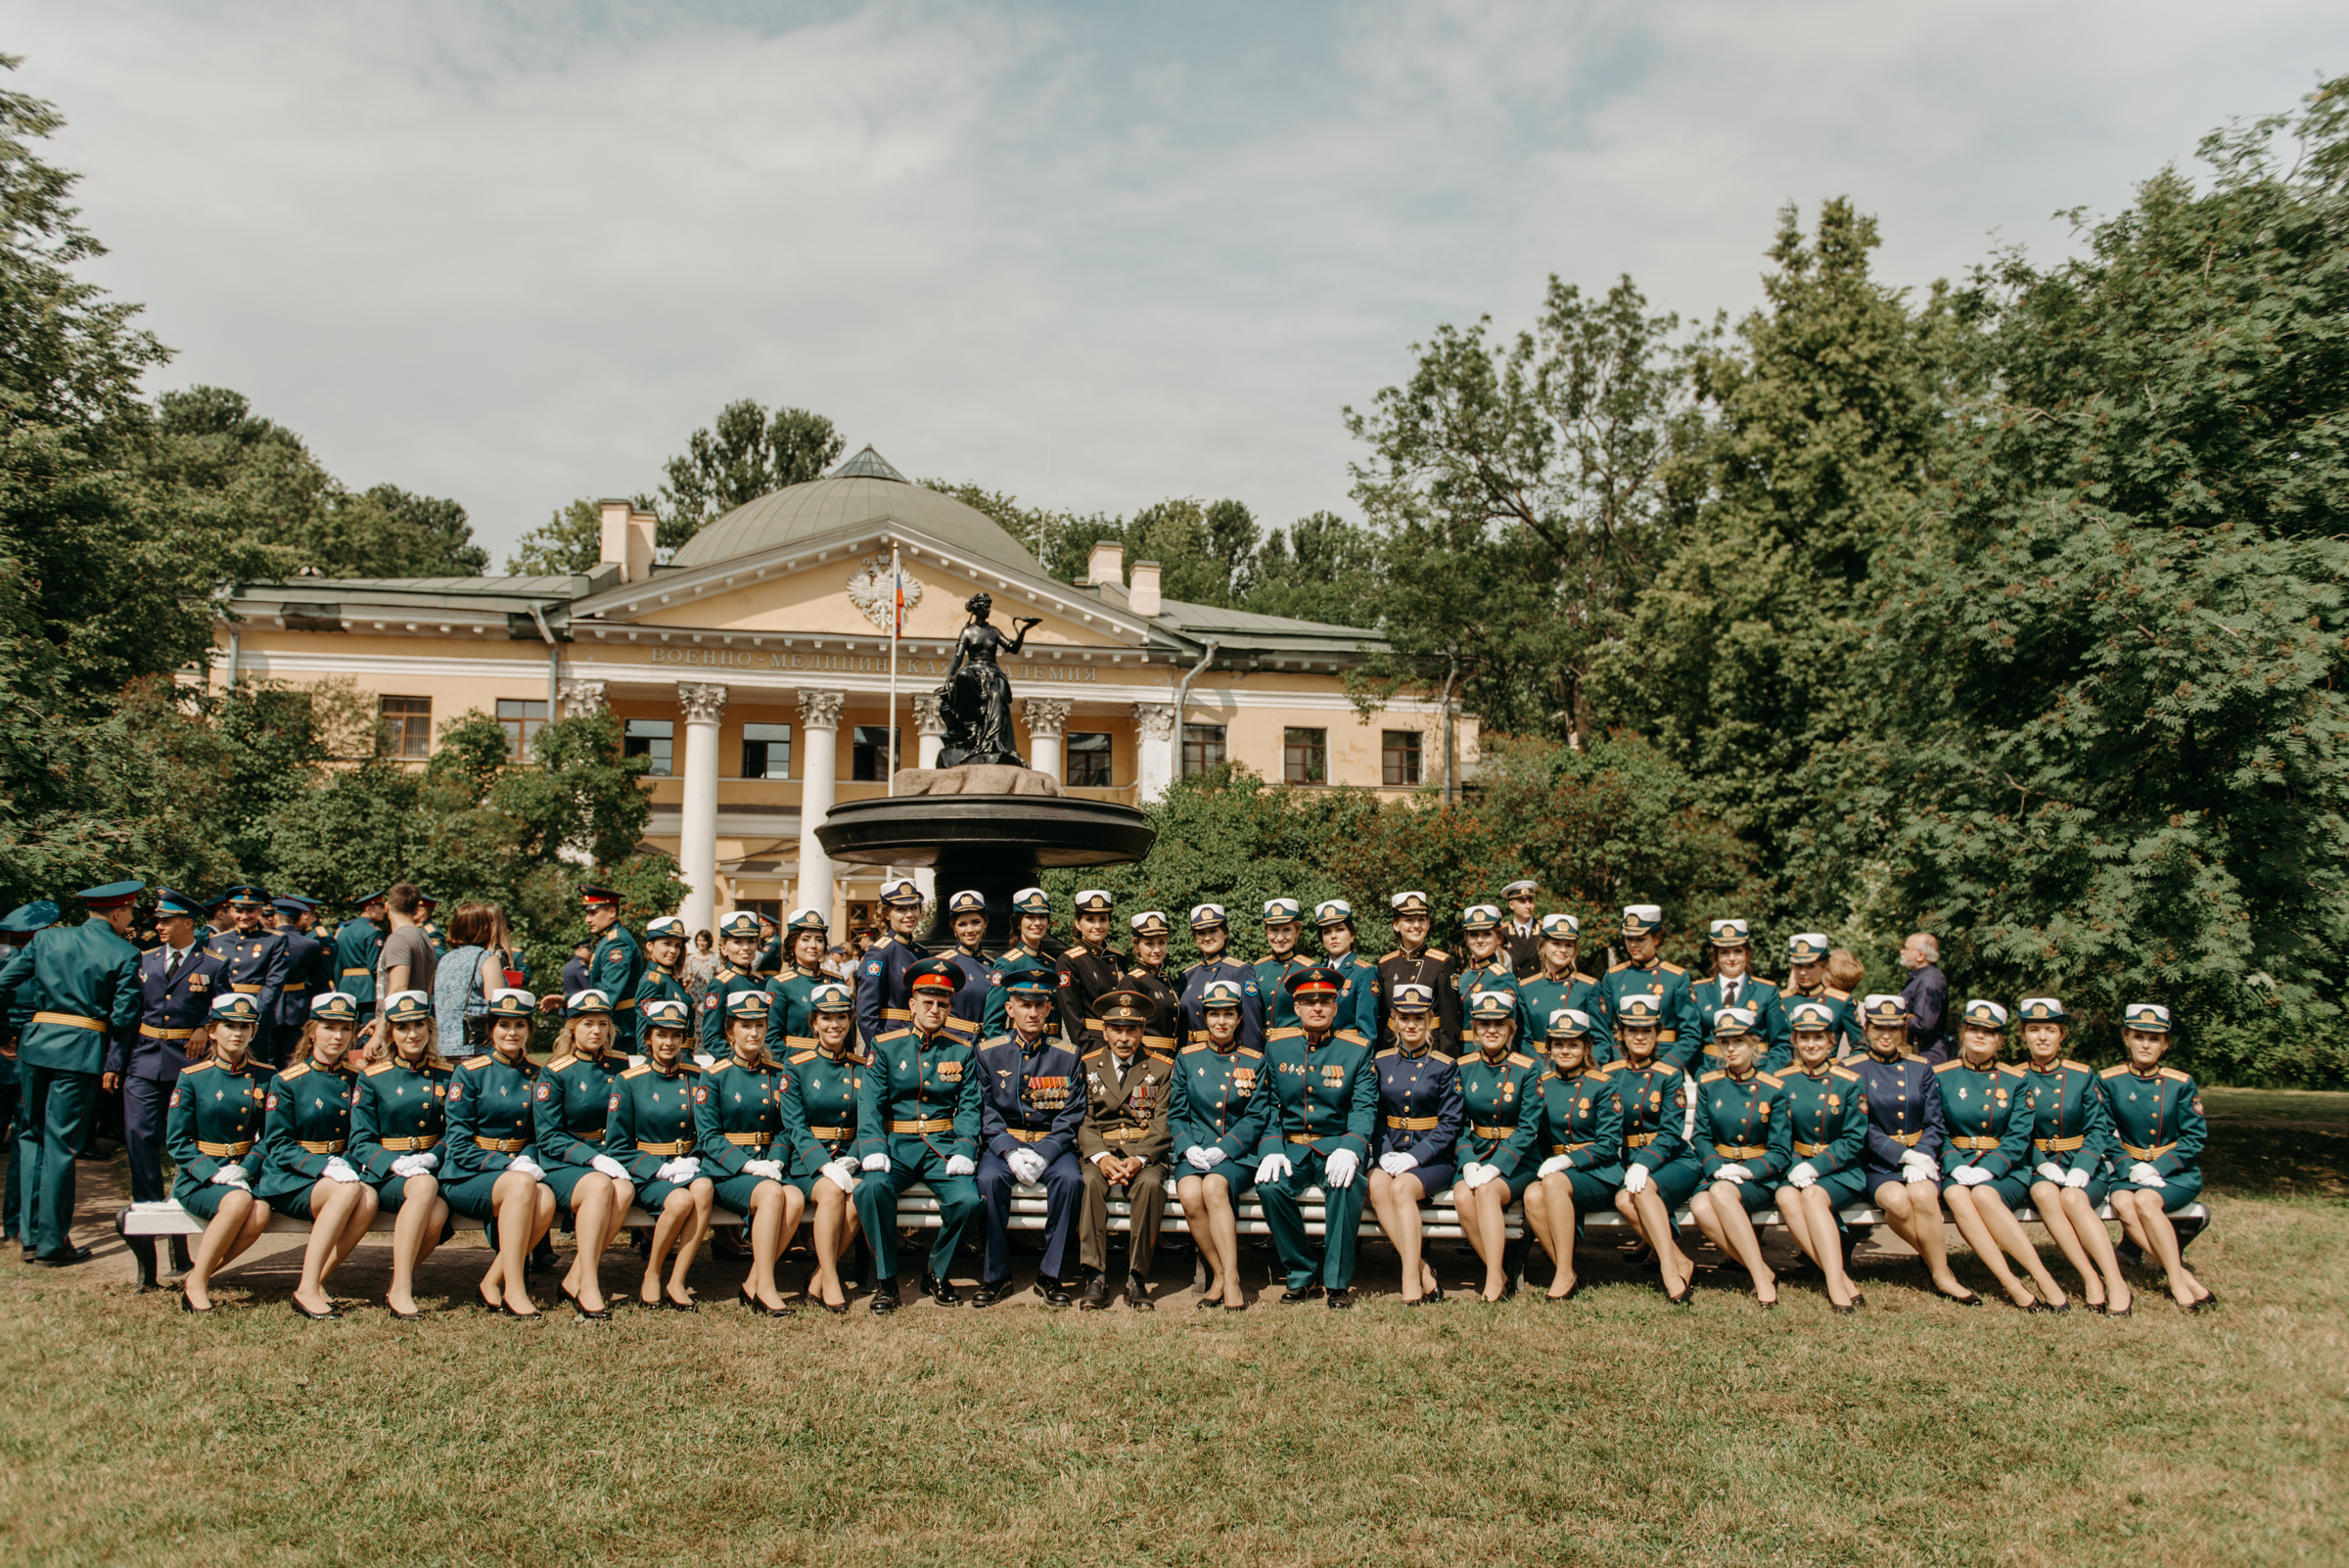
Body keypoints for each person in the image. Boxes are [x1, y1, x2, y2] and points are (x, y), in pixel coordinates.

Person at [0, 880, 145, 1265]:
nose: (131, 918)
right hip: (81, 1052)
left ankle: (30, 1238)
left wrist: (7, 1034)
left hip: (35, 1046)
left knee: (30, 1136)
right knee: (61, 1144)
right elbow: (125, 1017)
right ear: (116, 912)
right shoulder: (126, 953)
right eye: (130, 911)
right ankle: (51, 1244)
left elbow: (4, 983)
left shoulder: (46, 940)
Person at [852, 958, 984, 1312]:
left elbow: (970, 1106)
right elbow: (870, 1104)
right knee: (871, 1189)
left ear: (950, 1007)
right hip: (895, 1146)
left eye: (942, 1003)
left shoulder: (962, 1050)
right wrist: (874, 1147)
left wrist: (964, 1147)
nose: (935, 1009)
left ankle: (936, 1271)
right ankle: (885, 1281)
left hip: (941, 1147)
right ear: (912, 1004)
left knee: (969, 1202)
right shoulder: (885, 1045)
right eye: (928, 1002)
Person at [105, 888, 226, 1257]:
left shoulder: (212, 964)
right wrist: (114, 1063)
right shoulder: (143, 961)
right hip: (142, 1061)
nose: (159, 926)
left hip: (187, 1067)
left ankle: (180, 1238)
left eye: (167, 920)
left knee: (183, 1144)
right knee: (139, 1139)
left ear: (188, 923)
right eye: (158, 920)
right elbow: (126, 1017)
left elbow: (226, 1008)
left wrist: (207, 1025)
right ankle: (146, 1226)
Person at [1249, 966, 1378, 1309]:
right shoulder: (1277, 1047)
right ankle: (1302, 1275)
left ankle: (1337, 1283)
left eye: (1325, 1001)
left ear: (1336, 1008)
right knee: (1270, 1188)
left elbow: (1364, 1107)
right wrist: (1272, 1148)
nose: (1317, 1008)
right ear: (1297, 1008)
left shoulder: (1357, 1049)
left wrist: (1351, 1148)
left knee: (1346, 1186)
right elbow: (1268, 1105)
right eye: (1308, 1001)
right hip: (1291, 1148)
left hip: (1335, 1145)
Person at [1935, 999, 2070, 1311]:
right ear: (1963, 1033)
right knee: (1956, 1195)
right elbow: (1936, 1129)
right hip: (1958, 1165)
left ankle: (2042, 1276)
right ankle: (2011, 1283)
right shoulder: (1942, 1075)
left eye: (1989, 1031)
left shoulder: (2016, 1080)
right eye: (1973, 1029)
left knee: (1983, 1194)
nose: (1980, 1036)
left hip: (2006, 1170)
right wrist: (1953, 1163)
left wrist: (1992, 1167)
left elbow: (2019, 1135)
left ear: (2000, 1039)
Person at [1849, 993, 1979, 1305]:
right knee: (1897, 1201)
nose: (1885, 1035)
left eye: (1893, 1029)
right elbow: (1858, 1126)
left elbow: (1935, 1123)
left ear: (1903, 1032)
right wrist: (1901, 1155)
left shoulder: (1920, 1068)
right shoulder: (1852, 1068)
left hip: (1919, 1158)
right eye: (1878, 1027)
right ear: (1867, 1029)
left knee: (1923, 1195)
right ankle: (1936, 1262)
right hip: (1877, 1163)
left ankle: (1942, 1275)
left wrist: (1919, 1154)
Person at [256, 992, 378, 1318]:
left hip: (341, 1174)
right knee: (352, 1190)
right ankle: (306, 1289)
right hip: (291, 1178)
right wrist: (323, 1167)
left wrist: (346, 1164)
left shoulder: (357, 1079)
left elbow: (361, 1135)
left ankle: (318, 1281)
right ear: (312, 1031)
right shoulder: (287, 1081)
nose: (337, 1036)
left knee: (367, 1198)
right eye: (328, 1027)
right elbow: (278, 1144)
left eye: (345, 1029)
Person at [971, 971, 1086, 1308]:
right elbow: (985, 1110)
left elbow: (1072, 1112)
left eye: (1039, 1005)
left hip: (1051, 1144)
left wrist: (1047, 1152)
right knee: (988, 1180)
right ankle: (996, 1276)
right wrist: (1008, 1151)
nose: (1032, 1013)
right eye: (1024, 1005)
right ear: (1009, 1009)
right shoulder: (988, 1053)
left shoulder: (1067, 1055)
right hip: (1005, 1144)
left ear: (1049, 1009)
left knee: (1071, 1180)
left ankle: (1050, 1274)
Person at [2012, 997, 2133, 1315]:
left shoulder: (2082, 1076)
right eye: (2034, 1029)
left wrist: (2083, 1166)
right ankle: (2090, 1277)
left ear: (2062, 1034)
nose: (2042, 1037)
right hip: (2039, 1166)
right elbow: (2014, 1133)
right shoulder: (2013, 1077)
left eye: (2050, 1029)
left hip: (2083, 1164)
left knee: (2075, 1199)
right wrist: (2041, 1163)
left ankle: (2116, 1282)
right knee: (2043, 1192)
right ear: (2023, 1033)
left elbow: (2099, 1129)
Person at [441, 990, 557, 1318]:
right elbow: (459, 1145)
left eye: (519, 1025)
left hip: (517, 1173)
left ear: (529, 1030)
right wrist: (509, 1165)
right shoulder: (469, 1073)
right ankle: (515, 1289)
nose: (511, 1033)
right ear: (491, 1029)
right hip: (469, 1173)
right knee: (523, 1185)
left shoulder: (537, 1073)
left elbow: (540, 1132)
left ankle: (491, 1281)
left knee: (546, 1199)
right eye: (503, 1025)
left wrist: (528, 1158)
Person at [345, 991, 453, 1319]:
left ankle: (395, 1284)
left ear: (429, 1028)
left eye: (419, 1024)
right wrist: (394, 1162)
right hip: (387, 1174)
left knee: (435, 1214)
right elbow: (360, 1140)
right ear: (391, 1033)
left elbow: (454, 1132)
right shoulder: (373, 1077)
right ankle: (403, 1289)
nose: (413, 1034)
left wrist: (433, 1156)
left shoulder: (447, 1075)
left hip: (430, 1170)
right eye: (403, 1027)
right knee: (422, 1188)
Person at [164, 993, 275, 1312]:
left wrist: (248, 1166)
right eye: (229, 1025)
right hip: (199, 1177)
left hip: (241, 1173)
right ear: (212, 1031)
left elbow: (272, 1136)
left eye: (245, 1026)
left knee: (261, 1213)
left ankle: (198, 1275)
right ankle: (198, 1286)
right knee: (240, 1201)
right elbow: (178, 1141)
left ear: (254, 1032)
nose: (237, 1033)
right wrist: (211, 1173)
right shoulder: (193, 1078)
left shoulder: (267, 1077)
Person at [695, 989, 802, 1316]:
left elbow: (785, 1128)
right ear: (730, 1031)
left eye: (759, 1024)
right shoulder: (713, 1076)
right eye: (745, 1025)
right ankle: (766, 1288)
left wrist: (776, 1159)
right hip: (726, 1170)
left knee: (795, 1198)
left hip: (766, 1166)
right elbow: (709, 1137)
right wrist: (748, 1166)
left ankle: (753, 1282)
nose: (754, 1032)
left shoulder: (777, 1073)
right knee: (772, 1194)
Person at [530, 989, 635, 1321]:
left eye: (603, 1024)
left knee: (625, 1189)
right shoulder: (556, 1071)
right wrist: (591, 1158)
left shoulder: (621, 1064)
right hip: (565, 1162)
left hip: (611, 1156)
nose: (596, 1031)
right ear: (571, 1028)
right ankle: (589, 1284)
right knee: (601, 1186)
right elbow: (548, 1135)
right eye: (588, 1023)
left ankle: (574, 1276)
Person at [2101, 1003, 2214, 1313]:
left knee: (2147, 1202)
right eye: (2139, 1036)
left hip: (2174, 1173)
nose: (2146, 1044)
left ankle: (2177, 1283)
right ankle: (2185, 1276)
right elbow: (2103, 1133)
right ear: (2127, 1038)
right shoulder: (2109, 1080)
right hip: (2128, 1170)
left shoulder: (2180, 1083)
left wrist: (2157, 1168)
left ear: (2166, 1043)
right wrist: (2128, 1166)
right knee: (2124, 1203)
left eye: (2154, 1038)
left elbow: (2194, 1137)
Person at [606, 996, 714, 1310]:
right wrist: (659, 1169)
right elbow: (617, 1145)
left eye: (676, 1035)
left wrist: (693, 1157)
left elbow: (706, 1129)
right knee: (680, 1199)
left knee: (704, 1187)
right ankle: (652, 1274)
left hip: (688, 1166)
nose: (669, 1042)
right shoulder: (629, 1081)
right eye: (661, 1034)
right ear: (648, 1038)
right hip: (648, 1172)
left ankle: (678, 1279)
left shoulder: (697, 1077)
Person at [1511, 1008, 1624, 1302]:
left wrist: (1569, 1160)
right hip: (1556, 1172)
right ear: (1548, 1048)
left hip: (1598, 1172)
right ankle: (1568, 1270)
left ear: (1587, 1047)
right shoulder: (1542, 1084)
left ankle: (1562, 1274)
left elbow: (1609, 1143)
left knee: (1551, 1184)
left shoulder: (1602, 1084)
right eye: (1558, 1044)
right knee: (1533, 1195)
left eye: (1573, 1044)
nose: (1565, 1050)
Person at [1076, 988, 1177, 1310]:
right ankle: (1095, 1276)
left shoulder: (1161, 1068)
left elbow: (1163, 1123)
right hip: (1101, 1150)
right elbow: (1082, 1119)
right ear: (1104, 1031)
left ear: (1142, 1031)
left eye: (1131, 1029)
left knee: (1149, 1185)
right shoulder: (1087, 1066)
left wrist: (1140, 1158)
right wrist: (1102, 1157)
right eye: (1116, 1030)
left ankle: (1137, 1277)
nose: (1124, 1038)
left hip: (1144, 1151)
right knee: (1090, 1182)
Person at [1361, 982, 1461, 1307]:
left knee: (1402, 1187)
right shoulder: (1381, 1062)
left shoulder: (1445, 1066)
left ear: (1431, 1021)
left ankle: (1409, 1279)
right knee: (1376, 1184)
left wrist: (1414, 1157)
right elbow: (1375, 1118)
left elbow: (1450, 1125)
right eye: (1404, 1018)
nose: (1412, 1025)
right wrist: (1386, 1153)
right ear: (1394, 1021)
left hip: (1433, 1159)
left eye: (1419, 1018)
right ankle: (1421, 1267)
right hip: (1391, 1152)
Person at [1684, 1009, 1790, 1308]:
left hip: (1758, 1177)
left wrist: (1748, 1172)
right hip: (1720, 1172)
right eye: (1725, 1042)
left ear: (1754, 1044)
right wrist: (1716, 1167)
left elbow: (1781, 1150)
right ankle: (1764, 1269)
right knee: (1701, 1206)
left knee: (1717, 1194)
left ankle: (1759, 1278)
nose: (1731, 1049)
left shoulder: (1773, 1089)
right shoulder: (1710, 1083)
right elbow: (1701, 1137)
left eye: (1739, 1041)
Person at [1171, 977, 1265, 1312]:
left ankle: (1233, 1278)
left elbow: (1257, 1115)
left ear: (1240, 1018)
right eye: (1214, 1014)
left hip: (1236, 1154)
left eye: (1228, 1014)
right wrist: (1186, 1145)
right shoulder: (1186, 1057)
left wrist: (1227, 1147)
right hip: (1195, 1149)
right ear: (1203, 1017)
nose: (1221, 1021)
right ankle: (1219, 1272)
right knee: (1190, 1194)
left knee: (1212, 1187)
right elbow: (1177, 1113)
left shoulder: (1254, 1060)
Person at [1773, 998, 1869, 1312]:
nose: (1811, 1044)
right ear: (1795, 1041)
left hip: (1840, 1171)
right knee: (1787, 1198)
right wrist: (1795, 1165)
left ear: (1831, 1040)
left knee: (1813, 1196)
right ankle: (1842, 1276)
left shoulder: (1850, 1083)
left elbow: (1854, 1139)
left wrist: (1815, 1166)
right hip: (1795, 1167)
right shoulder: (1782, 1082)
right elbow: (1778, 1136)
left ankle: (1833, 1285)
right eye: (1804, 1037)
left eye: (1818, 1037)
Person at [1607, 994, 1703, 1303]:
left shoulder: (1670, 1074)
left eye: (1647, 1031)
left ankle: (1669, 1273)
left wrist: (1644, 1163)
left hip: (1674, 1163)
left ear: (1656, 1034)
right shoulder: (1609, 1075)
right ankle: (1679, 1260)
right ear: (1620, 1033)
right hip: (1629, 1165)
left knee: (1642, 1189)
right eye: (1632, 1030)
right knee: (1624, 1200)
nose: (1639, 1037)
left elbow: (1672, 1132)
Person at [1452, 991, 1544, 1301]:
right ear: (1475, 1030)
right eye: (1484, 1024)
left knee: (1488, 1190)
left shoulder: (1528, 1068)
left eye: (1500, 1024)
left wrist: (1496, 1166)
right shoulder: (1463, 1066)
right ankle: (1502, 1272)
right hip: (1477, 1154)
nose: (1492, 1030)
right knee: (1463, 1195)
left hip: (1517, 1161)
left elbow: (1529, 1127)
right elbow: (1457, 1123)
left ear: (1511, 1029)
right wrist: (1468, 1159)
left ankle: (1493, 1281)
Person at [780, 982, 864, 1314]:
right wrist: (822, 1163)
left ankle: (816, 1278)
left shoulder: (861, 1065)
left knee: (859, 1194)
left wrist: (853, 1158)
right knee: (830, 1192)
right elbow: (794, 1125)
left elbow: (868, 1120)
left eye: (842, 1017)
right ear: (813, 1022)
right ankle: (830, 1278)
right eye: (827, 1018)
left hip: (846, 1160)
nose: (835, 1025)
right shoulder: (796, 1066)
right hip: (805, 1164)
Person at [0, 898, 61, 1254]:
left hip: (14, 1059)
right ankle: (20, 1225)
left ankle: (14, 1224)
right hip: (29, 1058)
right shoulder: (38, 963)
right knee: (29, 1140)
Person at [936, 590, 1042, 763]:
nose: (989, 610)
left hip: (992, 673)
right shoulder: (968, 632)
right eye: (986, 606)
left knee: (997, 695)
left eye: (989, 606)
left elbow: (1013, 648)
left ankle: (994, 743)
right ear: (977, 609)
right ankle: (971, 730)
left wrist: (1023, 630)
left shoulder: (993, 631)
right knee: (962, 674)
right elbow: (958, 656)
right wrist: (949, 678)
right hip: (972, 671)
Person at [1602, 904, 1700, 1073]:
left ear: (1656, 938)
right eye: (1628, 938)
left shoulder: (1675, 977)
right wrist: (1618, 1062)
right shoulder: (1614, 976)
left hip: (1663, 1063)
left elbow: (1691, 1033)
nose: (1633, 945)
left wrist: (1668, 1065)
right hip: (1623, 1066)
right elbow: (1603, 1030)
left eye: (1640, 939)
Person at [205, 883, 291, 1065]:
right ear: (230, 910)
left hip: (256, 1016)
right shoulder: (217, 940)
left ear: (260, 911)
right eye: (239, 911)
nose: (244, 916)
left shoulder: (274, 940)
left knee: (255, 1065)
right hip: (223, 1015)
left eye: (250, 911)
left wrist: (253, 1015)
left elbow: (274, 983)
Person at [1514, 914, 1615, 1065]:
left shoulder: (1587, 987)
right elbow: (1523, 1040)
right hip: (1539, 1068)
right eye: (1556, 943)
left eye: (1569, 945)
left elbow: (1601, 1041)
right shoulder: (1526, 988)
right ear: (1543, 945)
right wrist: (1540, 1068)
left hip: (1577, 1070)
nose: (1563, 950)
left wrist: (1586, 1069)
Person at [1693, 919, 1788, 1071]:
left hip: (1757, 1073)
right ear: (1715, 956)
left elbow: (1782, 1043)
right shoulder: (1699, 991)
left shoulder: (1766, 991)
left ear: (1747, 954)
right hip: (1712, 1074)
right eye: (1724, 952)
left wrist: (1766, 1076)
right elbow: (1692, 1041)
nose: (1732, 959)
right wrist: (1701, 1074)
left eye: (1738, 951)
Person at [1376, 891, 1460, 1053]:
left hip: (1430, 1049)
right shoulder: (1385, 964)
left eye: (1421, 920)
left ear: (1428, 924)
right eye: (1409, 920)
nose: (1416, 925)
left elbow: (1450, 1023)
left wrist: (1447, 1063)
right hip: (1392, 1048)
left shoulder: (1442, 963)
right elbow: (1382, 1018)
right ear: (1396, 924)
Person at [1175, 903, 1265, 1052]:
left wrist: (1250, 1062)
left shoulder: (1240, 971)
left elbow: (1251, 1025)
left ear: (1225, 933)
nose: (1207, 937)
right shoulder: (1188, 975)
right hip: (1190, 1055)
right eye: (1201, 933)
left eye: (1213, 931)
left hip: (1225, 1054)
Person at [855, 877, 930, 1050]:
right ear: (887, 914)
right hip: (890, 1039)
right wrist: (881, 1050)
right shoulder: (880, 952)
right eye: (901, 909)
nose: (909, 915)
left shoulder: (921, 953)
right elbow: (866, 1013)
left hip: (919, 1039)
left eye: (913, 908)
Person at [1053, 889, 1127, 1053]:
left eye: (1103, 919)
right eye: (1090, 919)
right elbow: (1072, 1018)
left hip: (1123, 1043)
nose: (1098, 926)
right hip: (1094, 1045)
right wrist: (1090, 1052)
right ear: (1078, 923)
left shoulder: (1119, 958)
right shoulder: (1069, 961)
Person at [982, 888, 1061, 1038]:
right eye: (1030, 917)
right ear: (1018, 923)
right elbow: (992, 1024)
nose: (1037, 923)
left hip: (1051, 1048)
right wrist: (1008, 1053)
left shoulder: (1052, 963)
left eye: (1042, 917)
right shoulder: (1007, 964)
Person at [433, 902, 507, 1057]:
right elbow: (498, 1007)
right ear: (485, 928)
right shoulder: (486, 959)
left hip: (445, 1048)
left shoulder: (445, 960)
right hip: (477, 1049)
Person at [374, 884, 439, 1045]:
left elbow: (398, 989)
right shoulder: (425, 938)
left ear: (387, 906)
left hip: (399, 1028)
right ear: (417, 910)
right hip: (415, 1025)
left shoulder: (399, 938)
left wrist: (378, 1034)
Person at [581, 886, 644, 1052]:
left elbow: (609, 992)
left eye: (592, 913)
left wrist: (584, 1018)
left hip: (618, 1028)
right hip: (612, 1025)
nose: (587, 919)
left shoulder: (616, 942)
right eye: (587, 913)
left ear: (611, 912)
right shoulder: (608, 940)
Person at [764, 907, 835, 1051]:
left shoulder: (836, 982)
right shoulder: (780, 985)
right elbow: (771, 1039)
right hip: (795, 1064)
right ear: (792, 945)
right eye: (805, 939)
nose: (813, 946)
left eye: (819, 940)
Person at [699, 910, 765, 1059]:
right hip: (731, 1066)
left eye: (751, 941)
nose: (746, 947)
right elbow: (711, 1039)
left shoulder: (760, 981)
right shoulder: (720, 984)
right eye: (737, 942)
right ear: (723, 948)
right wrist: (740, 1060)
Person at [1780, 933, 1860, 1057]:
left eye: (1810, 966)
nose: (1802, 972)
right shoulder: (1781, 1000)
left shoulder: (1840, 1002)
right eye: (1798, 966)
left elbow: (1860, 1046)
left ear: (1824, 966)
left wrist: (1842, 1072)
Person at [1313, 900, 1382, 1040]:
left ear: (1352, 935)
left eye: (1340, 929)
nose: (1333, 936)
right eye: (1327, 932)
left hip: (1348, 1053)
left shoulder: (1364, 972)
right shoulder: (1316, 971)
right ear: (1322, 939)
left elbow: (1367, 1030)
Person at [1119, 911, 1184, 1060]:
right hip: (1147, 1058)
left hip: (1171, 1058)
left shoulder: (1163, 978)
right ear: (1136, 945)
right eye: (1149, 943)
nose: (1157, 950)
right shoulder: (1133, 981)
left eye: (1161, 942)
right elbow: (1126, 1030)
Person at [270, 896, 332, 1050]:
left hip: (269, 1004)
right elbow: (319, 979)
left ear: (276, 917)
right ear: (299, 920)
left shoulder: (266, 940)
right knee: (292, 1053)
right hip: (297, 1005)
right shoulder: (310, 943)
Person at [1451, 904, 1521, 1023]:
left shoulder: (1503, 977)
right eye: (1473, 934)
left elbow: (1508, 1025)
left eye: (1486, 934)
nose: (1479, 940)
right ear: (1467, 939)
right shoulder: (1464, 976)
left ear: (1499, 939)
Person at [938, 891, 994, 1037]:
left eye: (976, 922)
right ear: (954, 928)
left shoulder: (993, 966)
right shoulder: (943, 964)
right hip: (953, 1044)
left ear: (985, 923)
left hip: (986, 1046)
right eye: (962, 924)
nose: (970, 930)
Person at [1255, 899, 1313, 1032]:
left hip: (1292, 1046)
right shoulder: (1258, 968)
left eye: (1286, 930)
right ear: (1266, 932)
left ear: (1297, 932)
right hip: (1260, 1047)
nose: (1279, 938)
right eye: (1274, 930)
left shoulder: (1309, 969)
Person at [635, 915, 694, 1037]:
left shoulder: (671, 979)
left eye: (678, 945)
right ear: (649, 946)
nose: (673, 950)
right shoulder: (651, 983)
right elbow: (645, 1039)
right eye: (667, 943)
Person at [335, 890, 388, 1024]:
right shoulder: (373, 932)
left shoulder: (343, 933)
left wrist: (339, 987)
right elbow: (375, 966)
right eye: (380, 907)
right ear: (369, 909)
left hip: (345, 986)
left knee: (348, 1027)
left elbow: (337, 966)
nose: (384, 911)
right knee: (366, 1031)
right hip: (367, 990)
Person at [1899, 933, 1952, 1063]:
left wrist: (1896, 1016)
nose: (1902, 951)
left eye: (1906, 948)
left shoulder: (1929, 980)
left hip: (1925, 1054)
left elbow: (1924, 1024)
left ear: (1921, 955)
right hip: (1920, 1051)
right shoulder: (1921, 977)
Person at [1500, 879, 1543, 979]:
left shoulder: (1544, 930)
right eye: (1522, 902)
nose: (1528, 906)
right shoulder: (1503, 932)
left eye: (1531, 901)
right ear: (1511, 905)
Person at [682, 929, 721, 1001]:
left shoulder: (716, 958)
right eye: (699, 940)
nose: (701, 943)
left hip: (711, 993)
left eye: (704, 940)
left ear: (708, 942)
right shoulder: (691, 958)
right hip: (695, 993)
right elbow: (689, 977)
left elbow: (719, 976)